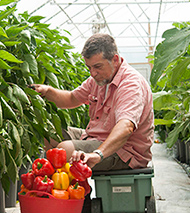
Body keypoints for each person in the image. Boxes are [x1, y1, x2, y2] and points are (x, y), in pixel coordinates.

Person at [31, 33, 154, 172]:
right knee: (48, 133)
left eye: (97, 66)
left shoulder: (130, 84)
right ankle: (71, 189)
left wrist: (97, 154)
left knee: (64, 150)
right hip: (95, 137)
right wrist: (46, 91)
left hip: (124, 152)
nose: (93, 73)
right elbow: (72, 99)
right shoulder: (100, 79)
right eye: (89, 67)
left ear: (115, 59)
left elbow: (126, 127)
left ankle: (74, 191)